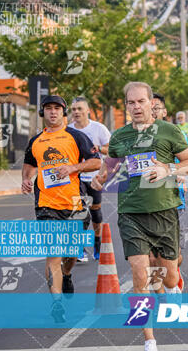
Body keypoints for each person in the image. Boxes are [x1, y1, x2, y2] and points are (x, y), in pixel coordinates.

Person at [92, 82, 188, 351]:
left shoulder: (169, 131)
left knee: (170, 275)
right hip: (131, 213)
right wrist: (101, 177)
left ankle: (172, 288)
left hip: (165, 211)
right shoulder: (119, 137)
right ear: (126, 106)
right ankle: (149, 339)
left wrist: (168, 170)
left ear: (152, 103)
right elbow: (112, 166)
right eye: (131, 102)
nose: (136, 107)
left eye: (141, 101)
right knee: (140, 275)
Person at [21, 95, 101, 321]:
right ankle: (57, 304)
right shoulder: (35, 141)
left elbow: (96, 162)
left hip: (76, 202)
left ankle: (66, 275)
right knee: (53, 253)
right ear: (42, 113)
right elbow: (29, 166)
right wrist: (26, 179)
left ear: (63, 113)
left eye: (57, 108)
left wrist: (73, 167)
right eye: (48, 108)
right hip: (46, 204)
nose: (53, 112)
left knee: (72, 252)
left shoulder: (76, 137)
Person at [68, 97, 111, 261]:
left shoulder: (99, 128)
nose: (76, 112)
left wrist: (99, 148)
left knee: (96, 213)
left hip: (95, 176)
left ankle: (97, 242)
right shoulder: (68, 130)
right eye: (73, 109)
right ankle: (79, 247)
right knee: (78, 212)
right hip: (76, 177)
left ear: (88, 111)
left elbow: (112, 150)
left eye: (79, 109)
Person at [152, 93, 185, 291]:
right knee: (149, 256)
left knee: (174, 256)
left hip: (172, 201)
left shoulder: (173, 133)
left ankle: (173, 277)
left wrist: (174, 171)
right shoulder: (137, 135)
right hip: (145, 203)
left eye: (157, 108)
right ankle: (159, 295)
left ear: (164, 112)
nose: (153, 111)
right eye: (151, 107)